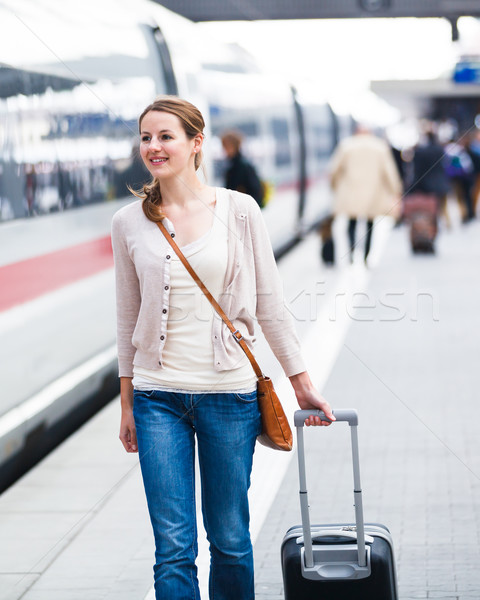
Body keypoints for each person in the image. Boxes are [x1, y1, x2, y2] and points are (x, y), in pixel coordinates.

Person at [111, 96, 333, 600]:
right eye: (146, 137)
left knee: (230, 539)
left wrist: (302, 383)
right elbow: (127, 318)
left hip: (228, 396)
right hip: (156, 397)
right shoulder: (129, 221)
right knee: (172, 546)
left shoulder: (239, 210)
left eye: (166, 136)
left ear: (196, 143)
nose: (154, 147)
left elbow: (270, 304)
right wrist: (127, 401)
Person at [329, 124, 402, 264]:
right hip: (373, 194)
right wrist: (396, 190)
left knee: (351, 223)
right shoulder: (380, 147)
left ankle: (351, 253)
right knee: (370, 225)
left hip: (351, 193)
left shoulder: (346, 146)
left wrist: (334, 187)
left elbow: (334, 170)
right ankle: (365, 257)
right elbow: (390, 172)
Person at [220, 130, 264, 207]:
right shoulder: (232, 164)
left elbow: (255, 191)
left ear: (234, 146)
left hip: (244, 208)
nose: (225, 150)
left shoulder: (241, 166)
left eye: (226, 146)